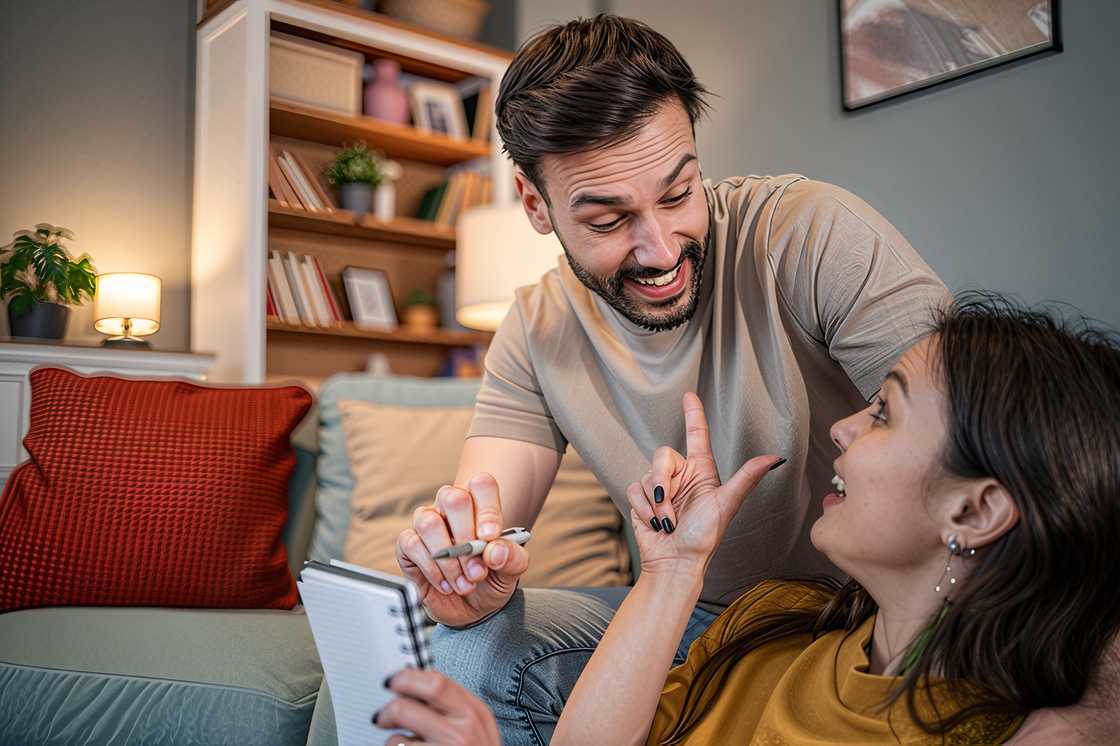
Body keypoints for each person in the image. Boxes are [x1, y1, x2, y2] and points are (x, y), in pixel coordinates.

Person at [393, 14, 950, 744]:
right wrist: (463, 579)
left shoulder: (810, 235)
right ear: (536, 205)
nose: (660, 249)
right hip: (696, 610)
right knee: (460, 653)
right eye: (609, 219)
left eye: (679, 193)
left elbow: (986, 439)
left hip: (868, 601)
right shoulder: (534, 330)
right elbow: (482, 516)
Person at [377, 293, 1120, 744]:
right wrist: (671, 568)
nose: (841, 427)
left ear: (978, 506)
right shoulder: (769, 626)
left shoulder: (984, 731)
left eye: (884, 412)